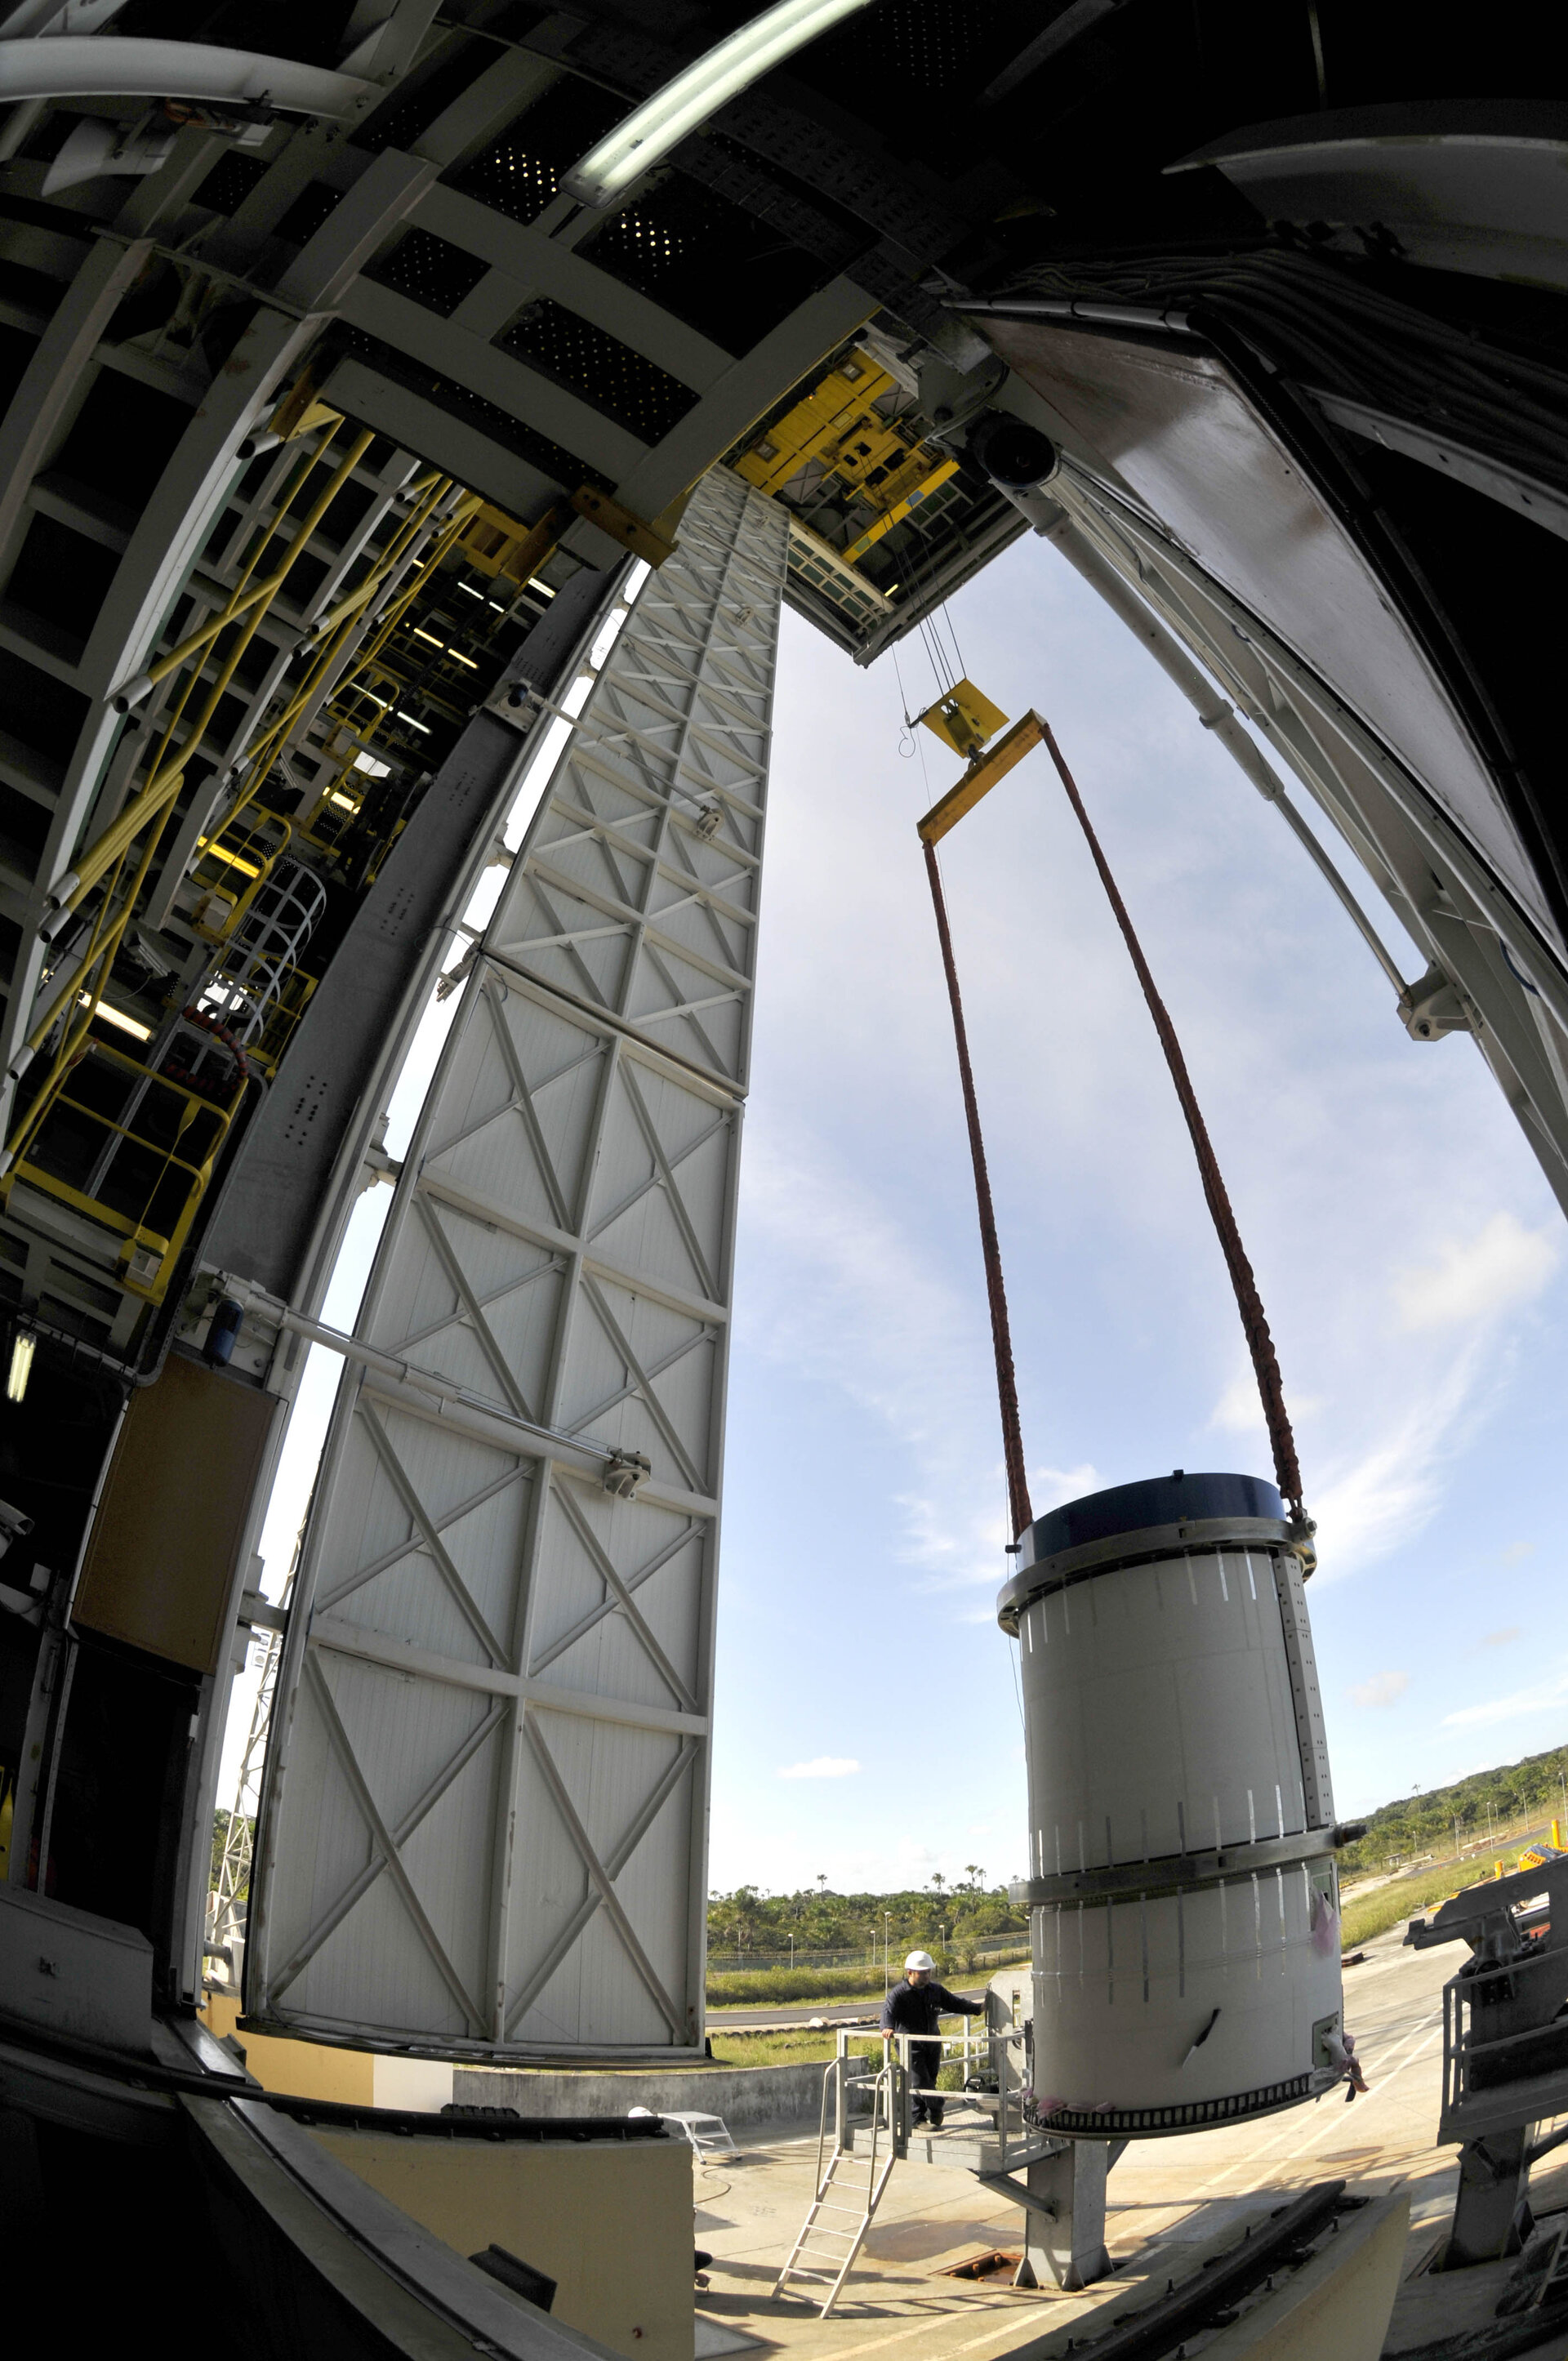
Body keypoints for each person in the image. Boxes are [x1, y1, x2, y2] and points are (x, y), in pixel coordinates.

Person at [880, 1950, 984, 2130]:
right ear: (910, 1973)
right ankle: (935, 2108)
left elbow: (955, 2003)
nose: (927, 1975)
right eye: (923, 1972)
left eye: (929, 1971)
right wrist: (887, 2027)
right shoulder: (899, 1994)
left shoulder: (935, 1991)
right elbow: (887, 2012)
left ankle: (918, 2117)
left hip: (932, 2042)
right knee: (920, 2081)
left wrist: (978, 2008)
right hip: (909, 2045)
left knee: (930, 2079)